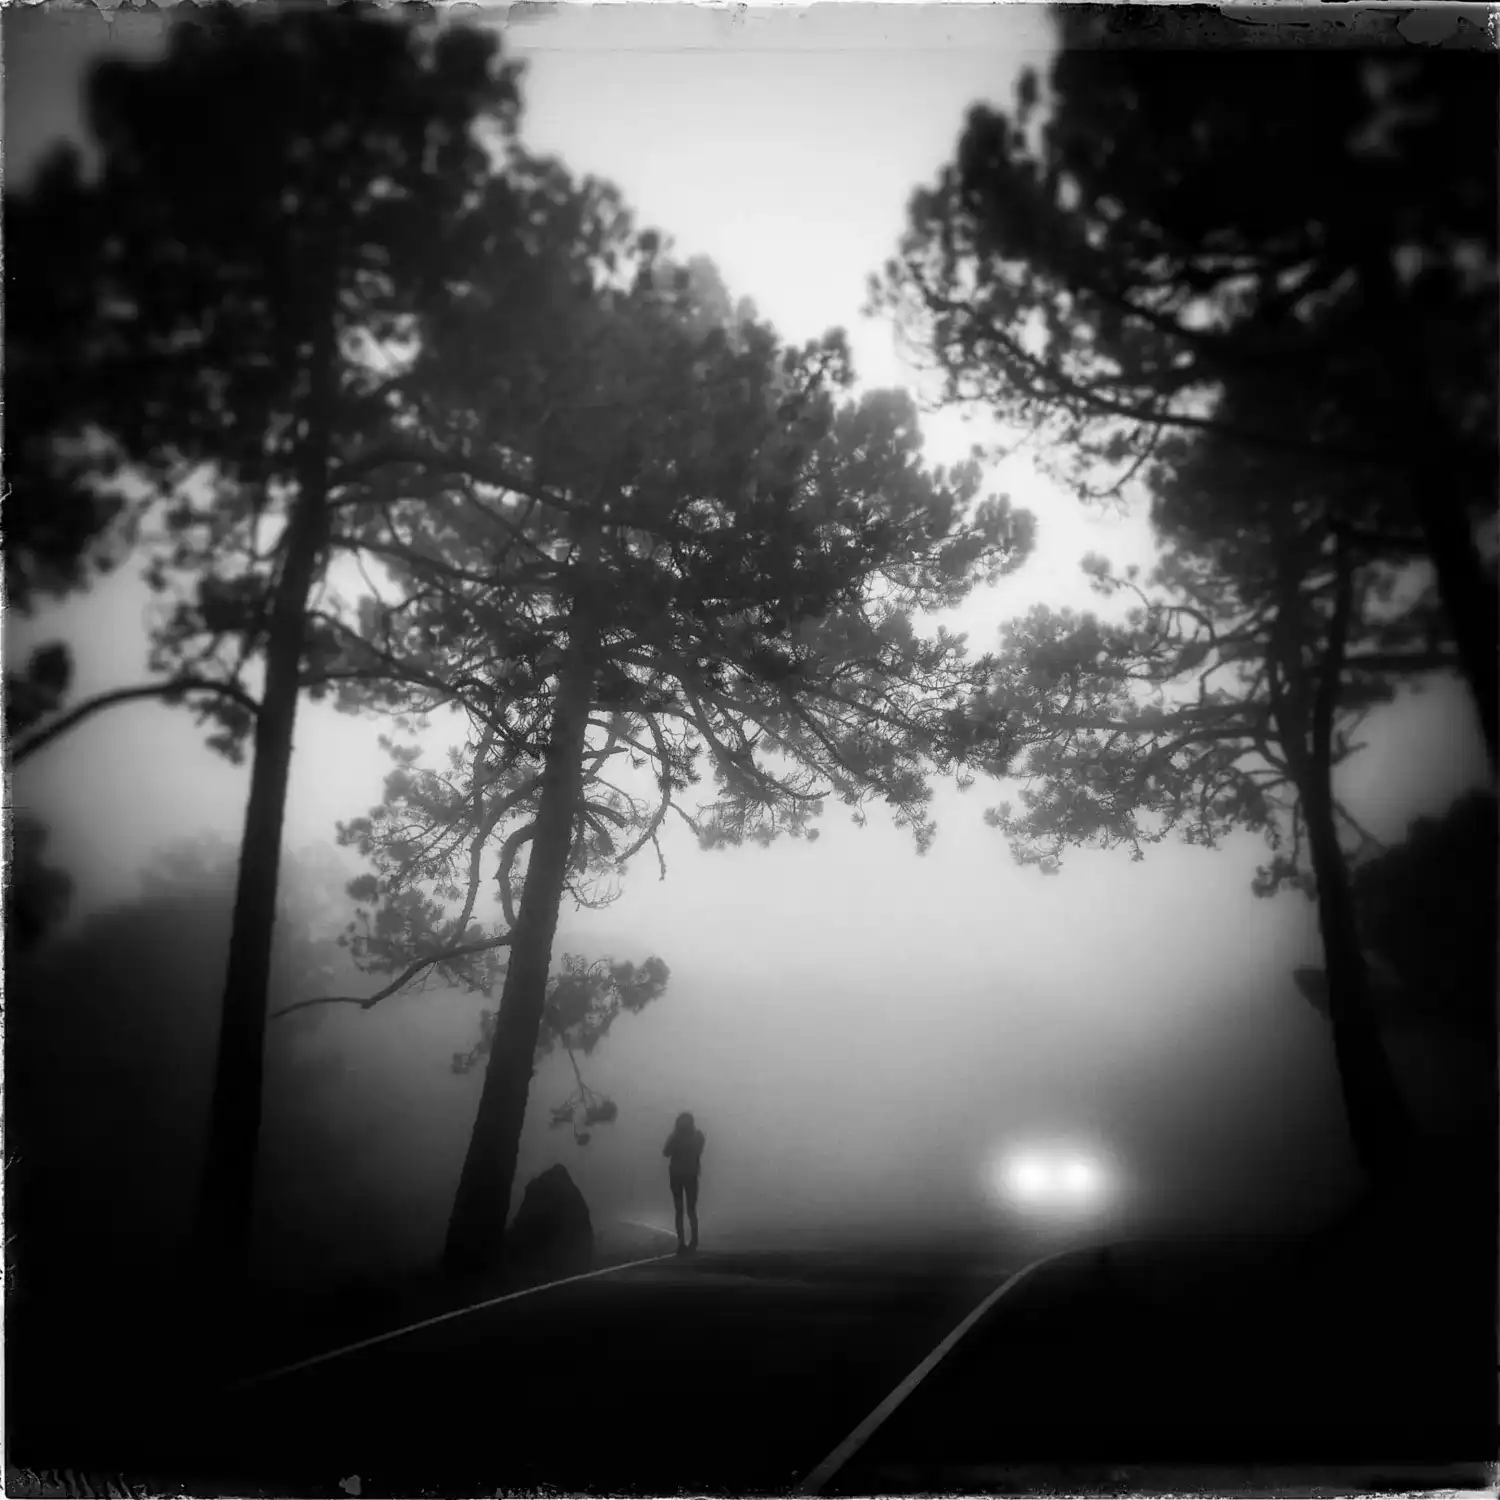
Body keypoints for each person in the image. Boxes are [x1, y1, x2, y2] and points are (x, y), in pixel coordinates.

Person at [662, 1111, 706, 1254]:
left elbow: (666, 1152)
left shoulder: (689, 1136)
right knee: (686, 1210)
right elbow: (666, 1152)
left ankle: (686, 1241)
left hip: (681, 1175)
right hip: (685, 1175)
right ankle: (688, 1241)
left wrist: (677, 1141)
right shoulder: (694, 1136)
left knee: (683, 1210)